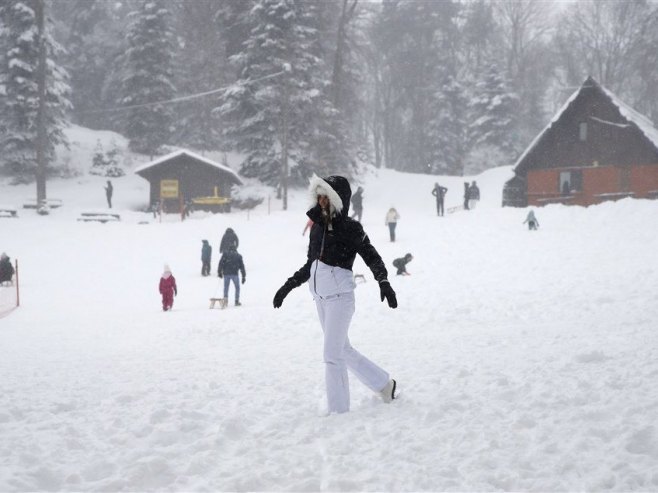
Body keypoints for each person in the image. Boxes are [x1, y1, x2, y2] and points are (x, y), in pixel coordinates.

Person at [273, 175, 398, 415]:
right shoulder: (317, 229)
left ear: (337, 200)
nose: (321, 202)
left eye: (325, 198)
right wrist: (288, 286)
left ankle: (339, 412)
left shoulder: (351, 229)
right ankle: (384, 385)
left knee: (331, 355)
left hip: (341, 298)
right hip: (320, 298)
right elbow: (311, 265)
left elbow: (372, 257)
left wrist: (383, 281)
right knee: (342, 350)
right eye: (318, 197)